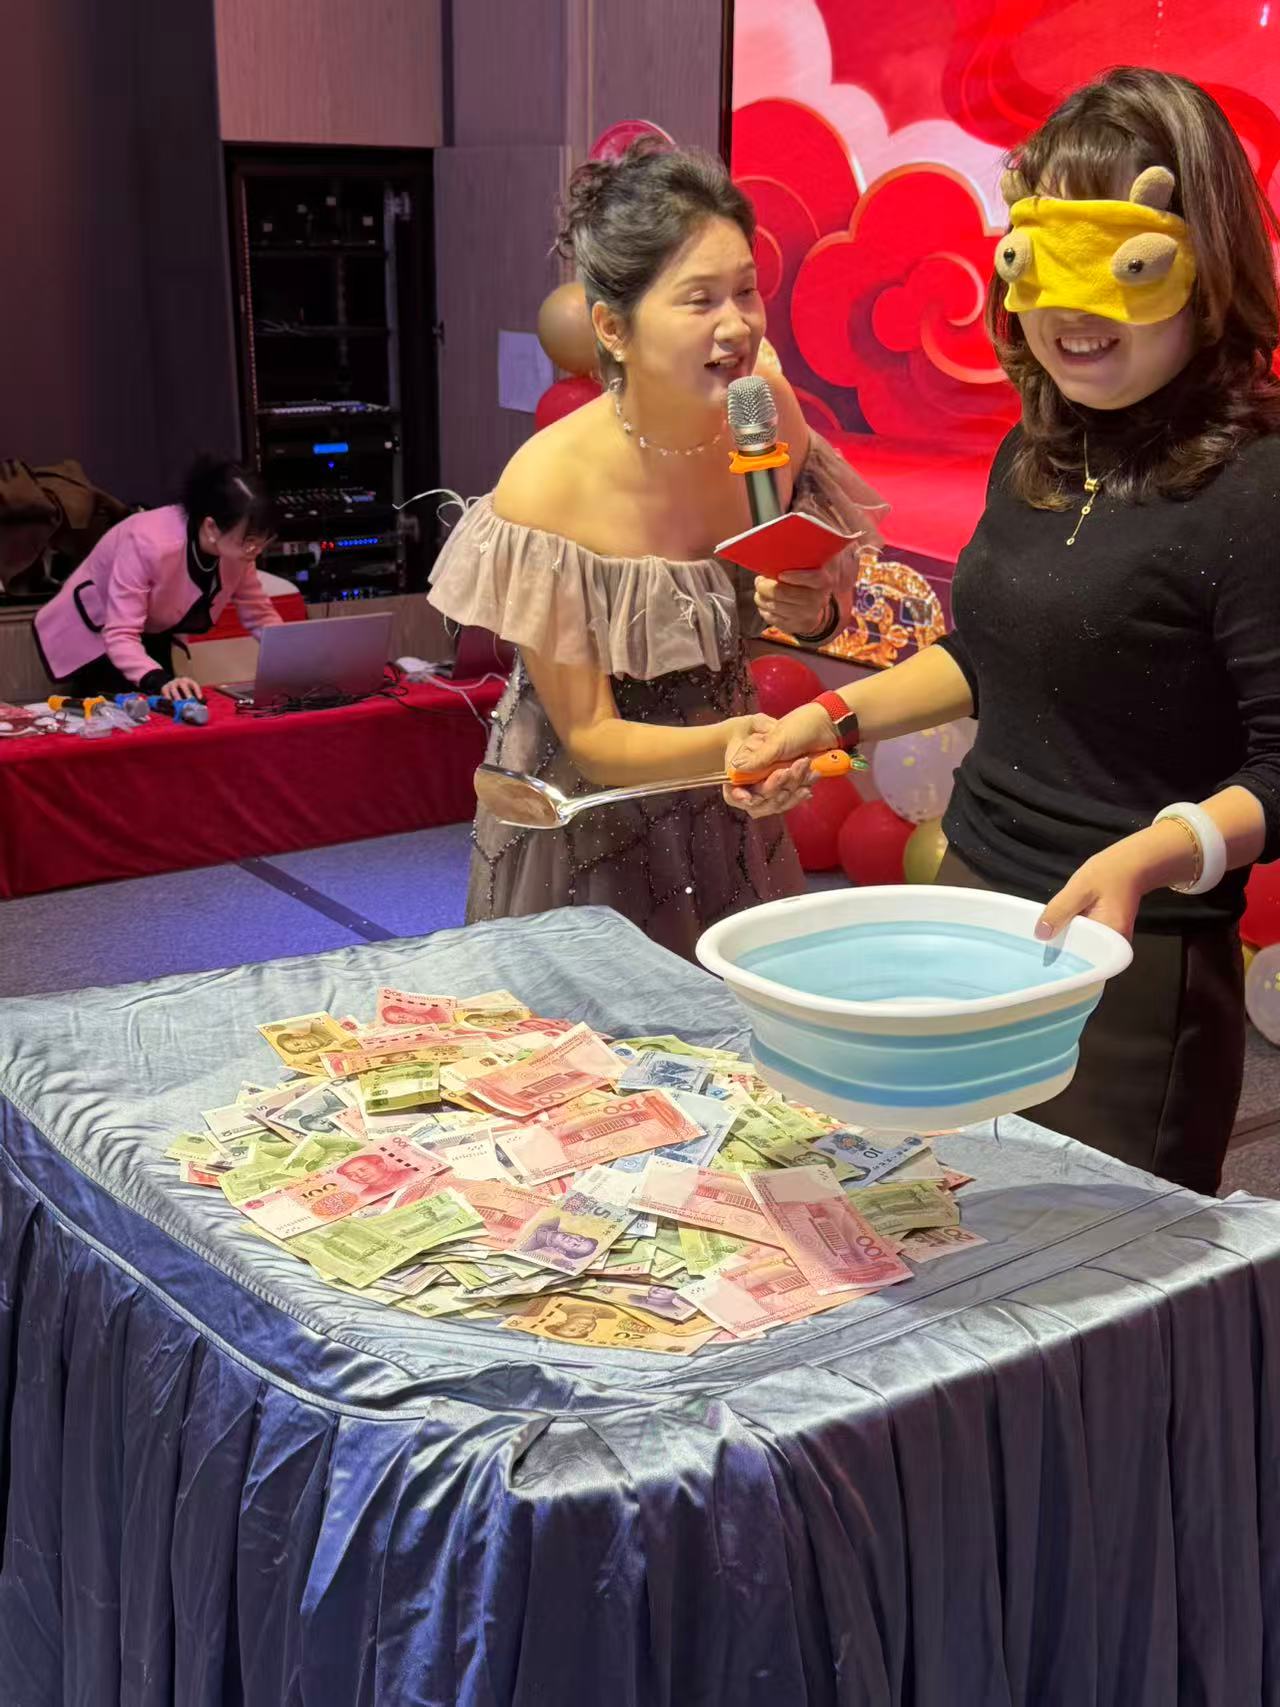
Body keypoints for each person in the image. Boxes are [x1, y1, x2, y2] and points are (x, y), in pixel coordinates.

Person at [726, 68, 1280, 1195]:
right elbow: (989, 656)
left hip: (1125, 956)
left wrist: (1145, 856)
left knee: (1093, 1272)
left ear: (1206, 263)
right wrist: (823, 721)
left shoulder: (1256, 490)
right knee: (940, 1222)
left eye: (1116, 263)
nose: (1068, 309)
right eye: (1040, 257)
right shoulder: (1036, 452)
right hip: (972, 905)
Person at [427, 141, 882, 959]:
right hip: (584, 817)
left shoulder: (766, 414)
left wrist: (814, 607)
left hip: (729, 796)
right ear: (613, 327)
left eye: (746, 290)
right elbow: (592, 737)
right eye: (700, 299)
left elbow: (816, 592)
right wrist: (746, 740)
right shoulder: (549, 485)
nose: (738, 326)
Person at [34, 455, 282, 702]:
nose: (257, 551)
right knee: (114, 711)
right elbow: (120, 632)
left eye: (264, 540)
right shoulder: (149, 543)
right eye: (250, 541)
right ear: (211, 527)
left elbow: (259, 614)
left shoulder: (239, 552)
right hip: (98, 630)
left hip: (152, 627)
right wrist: (158, 679)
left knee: (171, 702)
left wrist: (291, 655)